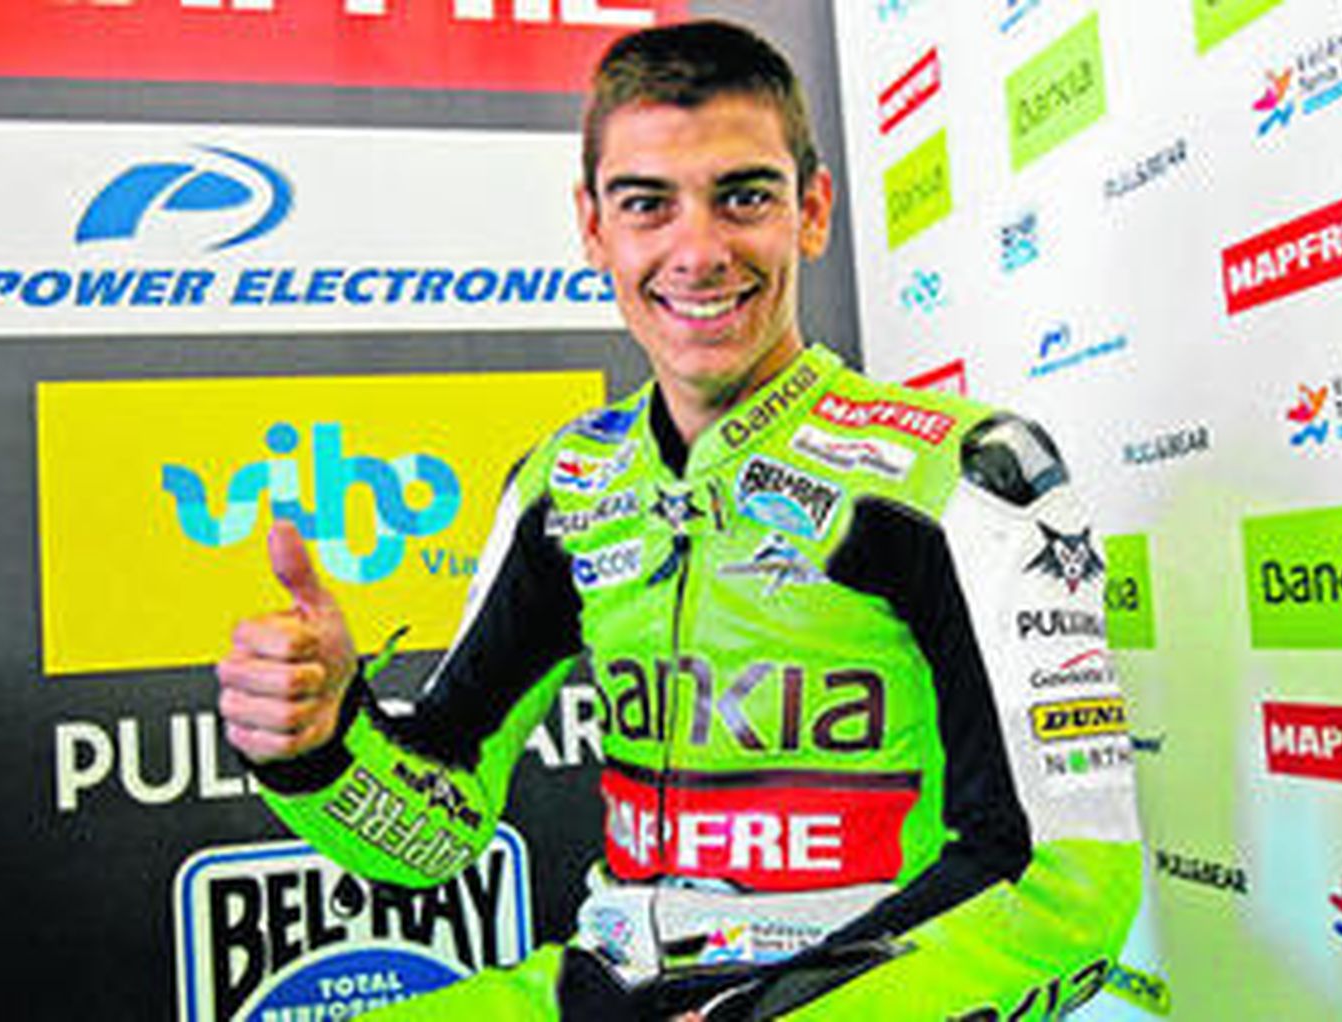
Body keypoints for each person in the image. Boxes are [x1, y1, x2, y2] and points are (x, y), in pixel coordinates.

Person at [217, 19, 1142, 1021]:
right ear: (593, 226)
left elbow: (1063, 886)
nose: (697, 252)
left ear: (813, 209)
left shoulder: (961, 474)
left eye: (743, 196)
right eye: (647, 204)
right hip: (599, 986)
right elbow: (436, 827)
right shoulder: (563, 485)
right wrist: (314, 744)